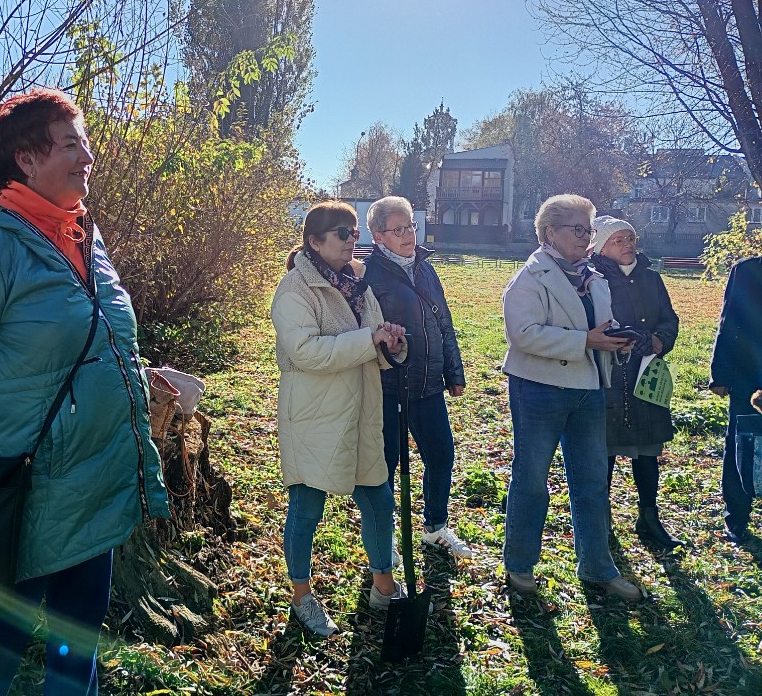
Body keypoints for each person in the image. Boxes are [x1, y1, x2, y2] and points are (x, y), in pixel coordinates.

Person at [0, 87, 170, 695]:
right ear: (26, 158)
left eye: (85, 143)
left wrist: (144, 376)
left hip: (98, 486)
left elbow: (102, 341)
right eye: (72, 143)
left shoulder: (84, 238)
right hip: (21, 491)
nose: (88, 156)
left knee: (77, 654)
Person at [271, 200, 408, 637]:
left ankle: (383, 585)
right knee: (307, 508)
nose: (354, 241)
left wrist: (390, 343)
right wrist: (369, 339)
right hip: (316, 415)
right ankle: (301, 595)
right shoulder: (295, 290)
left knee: (378, 500)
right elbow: (307, 353)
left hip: (363, 411)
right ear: (314, 241)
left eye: (354, 232)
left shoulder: (358, 284)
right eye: (343, 233)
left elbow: (373, 348)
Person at [501, 194, 642, 601]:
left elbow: (602, 325)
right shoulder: (529, 278)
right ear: (549, 233)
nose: (587, 238)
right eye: (578, 229)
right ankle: (520, 567)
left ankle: (598, 568)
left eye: (589, 230)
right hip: (539, 390)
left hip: (589, 389)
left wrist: (616, 339)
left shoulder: (592, 278)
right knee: (531, 481)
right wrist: (586, 340)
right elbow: (523, 334)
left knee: (593, 481)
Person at [363, 196, 474, 560]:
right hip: (388, 387)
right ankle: (386, 538)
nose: (409, 235)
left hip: (427, 385)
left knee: (441, 455)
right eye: (398, 229)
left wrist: (453, 371)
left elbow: (443, 322)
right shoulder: (368, 276)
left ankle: (435, 527)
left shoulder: (426, 269)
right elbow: (363, 330)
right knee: (387, 465)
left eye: (410, 226)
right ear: (378, 236)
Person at [589, 217, 682, 550]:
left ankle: (648, 516)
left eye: (631, 237)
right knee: (606, 450)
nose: (628, 244)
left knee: (647, 450)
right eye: (618, 240)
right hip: (610, 374)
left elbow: (668, 318)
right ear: (601, 246)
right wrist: (625, 338)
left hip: (645, 375)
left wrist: (659, 341)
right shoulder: (592, 278)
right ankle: (601, 520)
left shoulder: (652, 278)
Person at [710, 255, 762, 543]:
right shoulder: (747, 270)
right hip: (749, 374)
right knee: (742, 444)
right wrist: (720, 373)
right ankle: (737, 517)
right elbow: (729, 321)